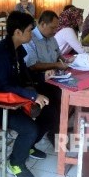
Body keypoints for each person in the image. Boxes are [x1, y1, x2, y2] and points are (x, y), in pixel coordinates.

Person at [0, 11, 51, 177]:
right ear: (18, 32)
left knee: (48, 114)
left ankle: (29, 146)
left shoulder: (16, 49)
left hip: (12, 100)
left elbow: (23, 75)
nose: (32, 34)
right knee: (30, 129)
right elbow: (1, 86)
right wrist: (33, 95)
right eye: (29, 30)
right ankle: (15, 163)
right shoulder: (0, 54)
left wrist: (43, 78)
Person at [23, 10, 71, 145]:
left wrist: (67, 61)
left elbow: (59, 55)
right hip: (36, 80)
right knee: (56, 103)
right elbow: (32, 66)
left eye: (57, 27)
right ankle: (34, 140)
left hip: (53, 77)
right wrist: (56, 64)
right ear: (42, 24)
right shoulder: (30, 38)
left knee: (66, 94)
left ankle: (55, 130)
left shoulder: (52, 38)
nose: (55, 31)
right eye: (53, 27)